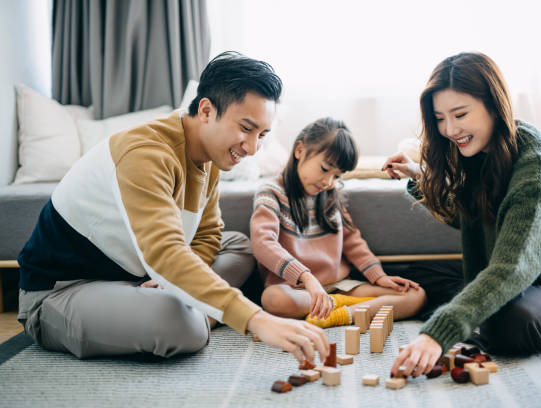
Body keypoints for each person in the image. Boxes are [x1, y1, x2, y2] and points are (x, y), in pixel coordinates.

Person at [17, 51, 329, 364]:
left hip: (134, 277)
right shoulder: (145, 153)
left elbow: (208, 233)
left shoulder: (211, 156)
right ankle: (195, 312)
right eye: (246, 129)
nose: (251, 148)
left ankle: (188, 302)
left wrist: (171, 281)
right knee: (184, 327)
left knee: (239, 246)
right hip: (64, 292)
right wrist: (257, 320)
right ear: (206, 110)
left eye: (262, 134)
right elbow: (165, 253)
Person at [385, 52, 541, 378]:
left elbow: (512, 268)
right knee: (421, 275)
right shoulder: (482, 152)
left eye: (460, 114)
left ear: (493, 104)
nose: (449, 129)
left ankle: (469, 315)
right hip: (524, 280)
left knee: (510, 323)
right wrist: (419, 178)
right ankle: (472, 311)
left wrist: (436, 335)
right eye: (439, 118)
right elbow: (469, 217)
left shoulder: (536, 172)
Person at [250, 117, 426, 328]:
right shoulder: (271, 193)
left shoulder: (331, 195)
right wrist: (306, 278)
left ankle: (339, 313)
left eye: (337, 176)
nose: (328, 182)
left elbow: (353, 242)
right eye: (325, 169)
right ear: (299, 150)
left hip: (340, 287)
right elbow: (263, 244)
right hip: (297, 289)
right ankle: (342, 307)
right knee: (273, 299)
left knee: (415, 295)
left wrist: (379, 277)